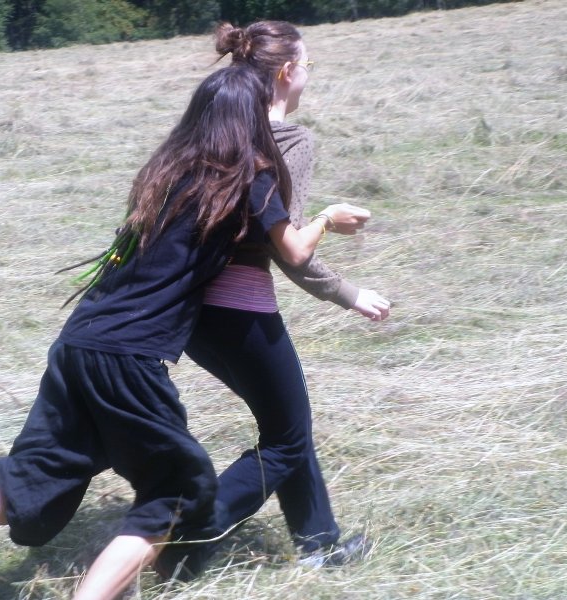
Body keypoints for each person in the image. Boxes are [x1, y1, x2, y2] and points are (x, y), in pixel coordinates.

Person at [0, 64, 357, 598]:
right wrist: (328, 218)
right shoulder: (248, 178)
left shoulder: (166, 172)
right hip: (128, 357)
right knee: (177, 494)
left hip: (79, 342)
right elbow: (294, 250)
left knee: (37, 479)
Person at [154, 21, 391, 581]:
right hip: (241, 311)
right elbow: (291, 249)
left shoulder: (209, 131)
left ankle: (319, 542)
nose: (309, 75)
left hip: (188, 313)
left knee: (286, 423)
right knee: (288, 435)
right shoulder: (288, 141)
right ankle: (188, 536)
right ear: (286, 72)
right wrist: (350, 292)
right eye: (308, 65)